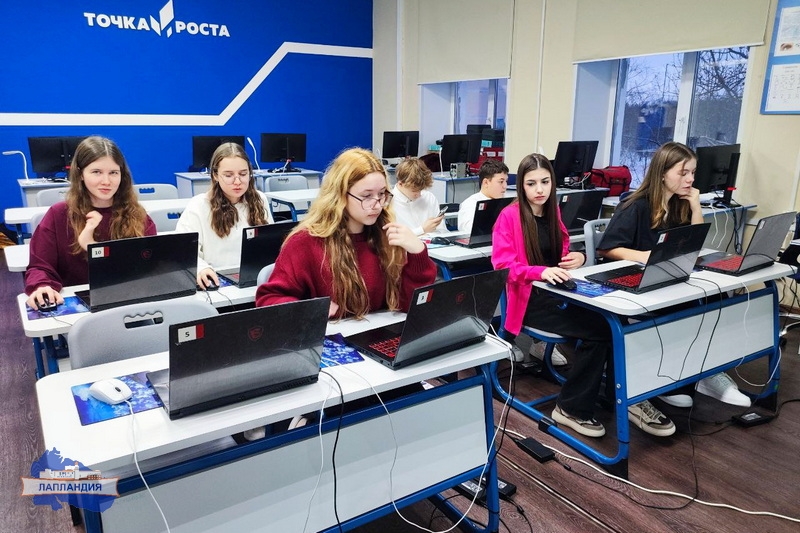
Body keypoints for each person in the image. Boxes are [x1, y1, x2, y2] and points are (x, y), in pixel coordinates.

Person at [492, 153, 675, 438]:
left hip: (560, 292)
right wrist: (541, 272)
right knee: (601, 330)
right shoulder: (509, 216)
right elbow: (503, 267)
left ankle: (625, 397)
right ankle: (570, 408)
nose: (539, 189)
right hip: (530, 302)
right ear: (521, 186)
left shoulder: (552, 212)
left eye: (545, 182)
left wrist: (578, 257)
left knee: (616, 322)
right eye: (531, 183)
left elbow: (563, 250)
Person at [597, 141, 750, 408]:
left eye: (693, 172)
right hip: (639, 284)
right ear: (662, 173)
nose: (690, 179)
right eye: (683, 173)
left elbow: (694, 244)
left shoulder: (680, 203)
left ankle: (705, 372)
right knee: (687, 310)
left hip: (667, 278)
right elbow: (607, 248)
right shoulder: (635, 206)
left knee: (717, 300)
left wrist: (696, 207)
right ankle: (669, 379)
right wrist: (646, 256)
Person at [256, 147, 437, 319]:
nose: (377, 205)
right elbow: (269, 300)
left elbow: (409, 306)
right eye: (366, 196)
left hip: (375, 335)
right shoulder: (305, 242)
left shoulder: (387, 236)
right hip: (329, 337)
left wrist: (417, 253)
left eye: (382, 194)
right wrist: (311, 310)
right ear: (340, 195)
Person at [25, 136, 157, 310]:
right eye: (96, 172)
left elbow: (148, 268)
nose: (106, 181)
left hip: (128, 303)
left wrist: (92, 246)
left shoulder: (137, 216)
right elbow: (40, 266)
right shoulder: (59, 215)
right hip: (78, 308)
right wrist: (42, 285)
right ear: (81, 174)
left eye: (113, 173)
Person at [175, 142, 273, 289]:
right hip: (217, 280)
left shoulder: (260, 199)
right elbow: (183, 251)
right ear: (215, 175)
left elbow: (270, 244)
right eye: (228, 175)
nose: (237, 181)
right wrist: (201, 268)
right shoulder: (199, 206)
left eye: (243, 174)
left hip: (254, 277)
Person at [391, 157, 447, 236]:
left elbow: (442, 231)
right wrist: (422, 230)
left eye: (421, 190)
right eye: (414, 191)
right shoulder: (388, 203)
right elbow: (392, 239)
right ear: (400, 184)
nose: (419, 194)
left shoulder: (428, 197)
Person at [458, 159, 509, 233]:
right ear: (486, 182)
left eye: (506, 181)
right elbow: (469, 231)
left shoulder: (507, 201)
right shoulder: (470, 204)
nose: (505, 186)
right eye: (501, 182)